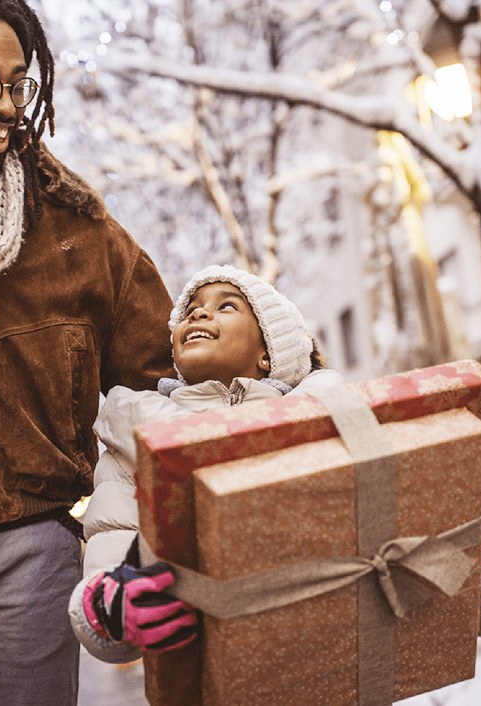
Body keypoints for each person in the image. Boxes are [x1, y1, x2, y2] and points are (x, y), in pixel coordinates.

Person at [0, 1, 174, 705]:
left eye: (18, 83)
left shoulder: (77, 232)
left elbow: (182, 376)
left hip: (28, 561)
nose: (7, 104)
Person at [68, 264, 343, 663]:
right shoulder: (135, 441)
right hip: (201, 666)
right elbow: (108, 551)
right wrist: (108, 611)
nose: (197, 313)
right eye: (191, 309)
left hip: (317, 654)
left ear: (267, 354)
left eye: (226, 306)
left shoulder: (316, 418)